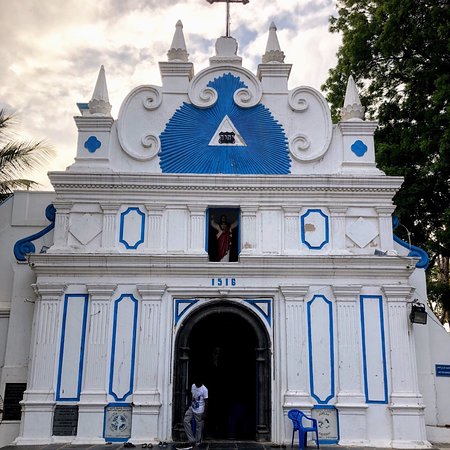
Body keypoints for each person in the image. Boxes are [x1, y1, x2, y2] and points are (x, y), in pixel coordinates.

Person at [181, 378, 208, 449]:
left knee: (199, 427)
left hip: (200, 410)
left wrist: (205, 413)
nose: (196, 384)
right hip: (192, 408)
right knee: (186, 420)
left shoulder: (204, 389)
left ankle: (197, 442)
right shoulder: (193, 386)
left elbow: (206, 402)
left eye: (198, 383)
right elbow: (192, 396)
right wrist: (187, 406)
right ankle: (192, 440)